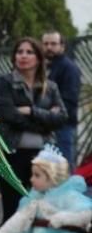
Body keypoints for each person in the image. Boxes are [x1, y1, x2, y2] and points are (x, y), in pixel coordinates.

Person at [0, 37, 67, 225]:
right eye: (19, 52)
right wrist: (43, 123)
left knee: (43, 210)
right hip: (13, 154)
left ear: (39, 58)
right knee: (12, 211)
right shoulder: (5, 82)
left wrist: (32, 111)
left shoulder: (50, 87)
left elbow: (62, 117)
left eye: (29, 52)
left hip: (43, 157)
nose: (23, 56)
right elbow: (6, 114)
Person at [43, 30, 80, 168]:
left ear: (62, 46)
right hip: (45, 124)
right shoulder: (45, 67)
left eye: (53, 43)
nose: (49, 47)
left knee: (63, 168)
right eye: (46, 43)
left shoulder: (69, 68)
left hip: (63, 125)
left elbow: (70, 99)